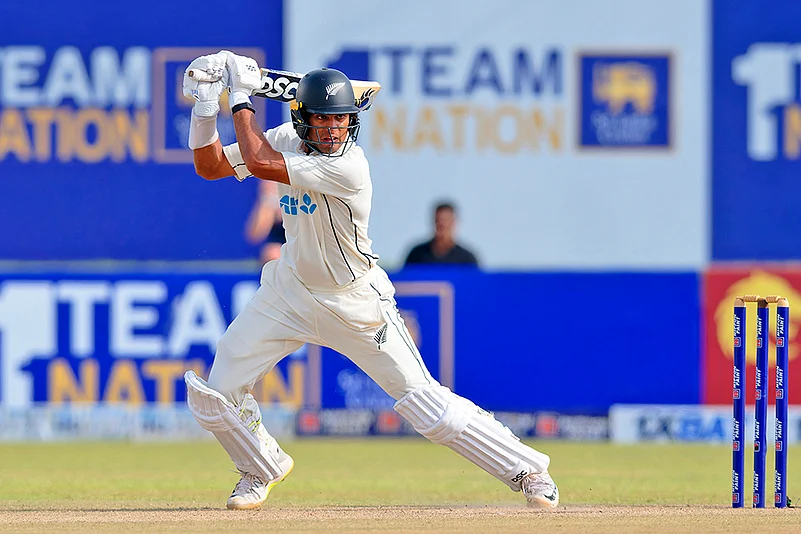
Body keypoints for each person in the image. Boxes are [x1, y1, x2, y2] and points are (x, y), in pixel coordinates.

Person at [180, 51, 559, 510]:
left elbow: (260, 163)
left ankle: (528, 471)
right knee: (216, 393)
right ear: (301, 120)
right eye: (322, 121)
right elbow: (211, 166)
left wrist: (237, 94)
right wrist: (204, 105)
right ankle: (260, 466)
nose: (333, 130)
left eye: (341, 120)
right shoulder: (285, 139)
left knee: (426, 406)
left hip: (355, 301)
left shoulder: (350, 166)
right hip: (289, 291)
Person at [404, 202, 478, 267]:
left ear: (453, 223)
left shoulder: (466, 259)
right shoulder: (417, 255)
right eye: (439, 221)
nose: (442, 226)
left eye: (446, 221)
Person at [245, 180, 286, 263]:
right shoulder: (270, 199)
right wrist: (268, 204)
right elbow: (255, 236)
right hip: (279, 245)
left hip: (301, 245)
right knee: (274, 253)